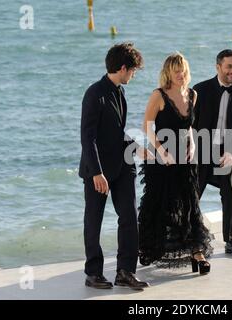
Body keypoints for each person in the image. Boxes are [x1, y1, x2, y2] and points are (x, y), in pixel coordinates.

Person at [79, 43, 151, 290]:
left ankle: (125, 272)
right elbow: (88, 137)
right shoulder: (94, 93)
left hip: (122, 167)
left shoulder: (120, 92)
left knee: (129, 217)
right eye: (133, 71)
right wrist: (97, 172)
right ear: (122, 68)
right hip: (97, 172)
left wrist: (137, 148)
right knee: (94, 220)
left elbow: (116, 133)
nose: (134, 75)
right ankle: (93, 273)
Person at [138, 52, 213, 274]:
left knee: (190, 206)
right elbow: (146, 127)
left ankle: (196, 253)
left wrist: (192, 145)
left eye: (183, 70)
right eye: (176, 70)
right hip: (162, 161)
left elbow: (189, 126)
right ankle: (149, 248)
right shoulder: (158, 96)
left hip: (186, 161)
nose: (181, 74)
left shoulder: (193, 95)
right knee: (160, 206)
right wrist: (162, 151)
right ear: (168, 73)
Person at [193, 49, 232, 257]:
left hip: (227, 152)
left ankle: (231, 240)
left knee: (230, 194)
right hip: (201, 151)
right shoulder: (200, 90)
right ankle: (189, 240)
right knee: (192, 195)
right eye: (229, 66)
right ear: (218, 67)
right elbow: (190, 124)